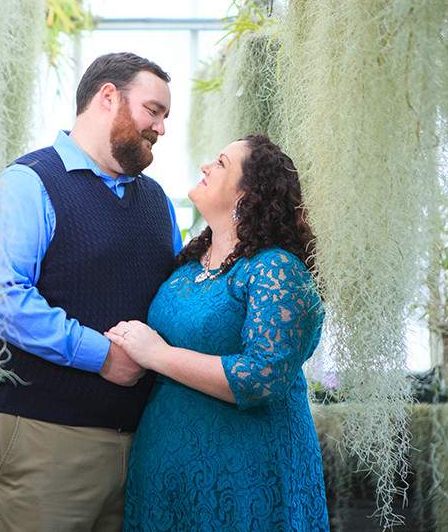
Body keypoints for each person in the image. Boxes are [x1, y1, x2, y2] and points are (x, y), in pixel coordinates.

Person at [0, 52, 183, 532]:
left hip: (141, 446)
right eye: (154, 110)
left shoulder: (158, 201)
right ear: (108, 97)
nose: (161, 129)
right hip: (44, 441)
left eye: (165, 116)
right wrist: (100, 354)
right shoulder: (27, 183)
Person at [106, 134, 329, 531]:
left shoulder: (275, 269)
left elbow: (262, 378)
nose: (207, 166)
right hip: (165, 476)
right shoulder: (187, 267)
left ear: (249, 196)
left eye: (222, 163)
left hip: (245, 476)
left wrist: (156, 355)